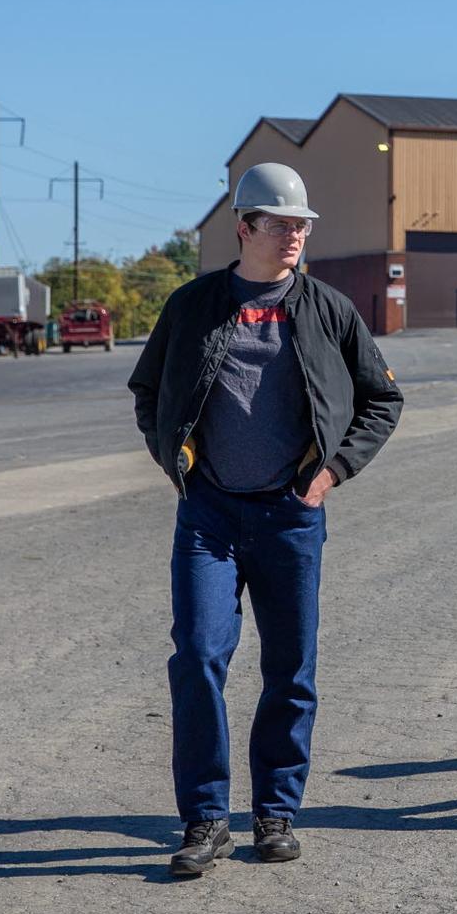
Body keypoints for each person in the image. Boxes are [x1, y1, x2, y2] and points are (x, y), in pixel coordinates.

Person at [128, 162, 403, 876]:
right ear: (243, 227)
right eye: (280, 224)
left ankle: (275, 812)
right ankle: (205, 819)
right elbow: (148, 391)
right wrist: (176, 462)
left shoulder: (328, 310)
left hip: (290, 515)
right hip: (209, 517)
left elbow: (381, 401)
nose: (294, 235)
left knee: (290, 669)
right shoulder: (193, 306)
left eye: (302, 225)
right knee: (198, 656)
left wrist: (332, 470)